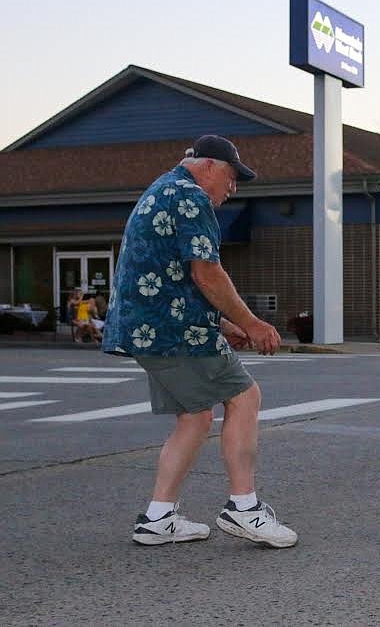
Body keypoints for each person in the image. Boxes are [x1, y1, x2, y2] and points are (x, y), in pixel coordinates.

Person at [102, 135, 297, 548]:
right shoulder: (192, 198)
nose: (233, 188)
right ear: (208, 166)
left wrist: (225, 325)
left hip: (148, 327)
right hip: (174, 332)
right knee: (245, 396)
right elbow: (205, 272)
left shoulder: (162, 190)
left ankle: (159, 518)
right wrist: (253, 323)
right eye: (231, 176)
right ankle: (244, 508)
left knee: (195, 416)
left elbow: (171, 274)